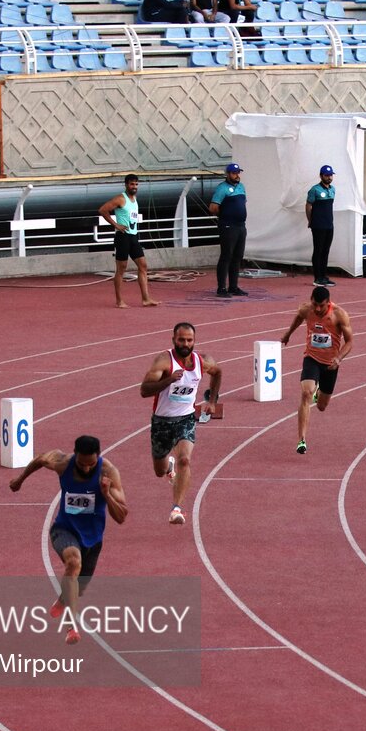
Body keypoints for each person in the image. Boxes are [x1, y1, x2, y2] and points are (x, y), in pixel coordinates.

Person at [8, 435, 128, 645]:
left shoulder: (108, 472)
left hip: (93, 538)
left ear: (98, 457)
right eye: (82, 464)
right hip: (63, 529)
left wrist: (107, 495)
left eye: (91, 464)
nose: (87, 469)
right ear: (75, 456)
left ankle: (64, 600)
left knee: (78, 588)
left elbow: (122, 516)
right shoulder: (63, 462)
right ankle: (71, 626)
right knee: (73, 563)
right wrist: (19, 480)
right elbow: (39, 459)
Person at [140, 322, 222, 524]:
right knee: (159, 471)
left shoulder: (202, 361)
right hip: (161, 421)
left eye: (189, 340)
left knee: (185, 460)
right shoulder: (164, 361)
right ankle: (168, 466)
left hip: (186, 419)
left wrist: (212, 401)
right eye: (181, 340)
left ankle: (176, 509)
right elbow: (144, 390)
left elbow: (218, 372)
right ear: (173, 340)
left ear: (194, 341)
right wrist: (168, 380)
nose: (185, 343)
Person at [280, 286, 354, 454]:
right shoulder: (306, 309)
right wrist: (288, 334)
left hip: (330, 364)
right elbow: (299, 318)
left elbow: (350, 342)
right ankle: (302, 440)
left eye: (321, 305)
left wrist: (339, 358)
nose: (318, 309)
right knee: (306, 393)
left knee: (321, 406)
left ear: (328, 302)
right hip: (311, 358)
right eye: (315, 305)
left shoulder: (339, 314)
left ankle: (319, 392)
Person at [99, 174, 160, 308]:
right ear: (126, 184)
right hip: (122, 237)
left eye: (136, 184)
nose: (134, 187)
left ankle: (145, 299)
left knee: (143, 265)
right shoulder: (120, 198)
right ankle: (119, 301)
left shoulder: (134, 198)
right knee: (121, 269)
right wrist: (116, 225)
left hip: (133, 236)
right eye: (132, 184)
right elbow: (103, 210)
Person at [209, 162, 248, 297]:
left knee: (237, 256)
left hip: (240, 225)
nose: (236, 175)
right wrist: (225, 214)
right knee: (226, 256)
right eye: (233, 173)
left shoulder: (241, 187)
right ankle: (221, 288)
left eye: (238, 173)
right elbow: (213, 207)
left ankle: (233, 286)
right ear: (228, 174)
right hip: (228, 225)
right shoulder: (222, 188)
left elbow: (243, 203)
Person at [306, 164, 336, 287]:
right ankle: (317, 277)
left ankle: (324, 276)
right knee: (318, 250)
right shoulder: (315, 190)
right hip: (318, 225)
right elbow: (308, 206)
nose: (329, 178)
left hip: (329, 224)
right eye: (326, 175)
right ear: (321, 176)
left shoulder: (333, 189)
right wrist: (310, 220)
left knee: (326, 250)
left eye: (331, 175)